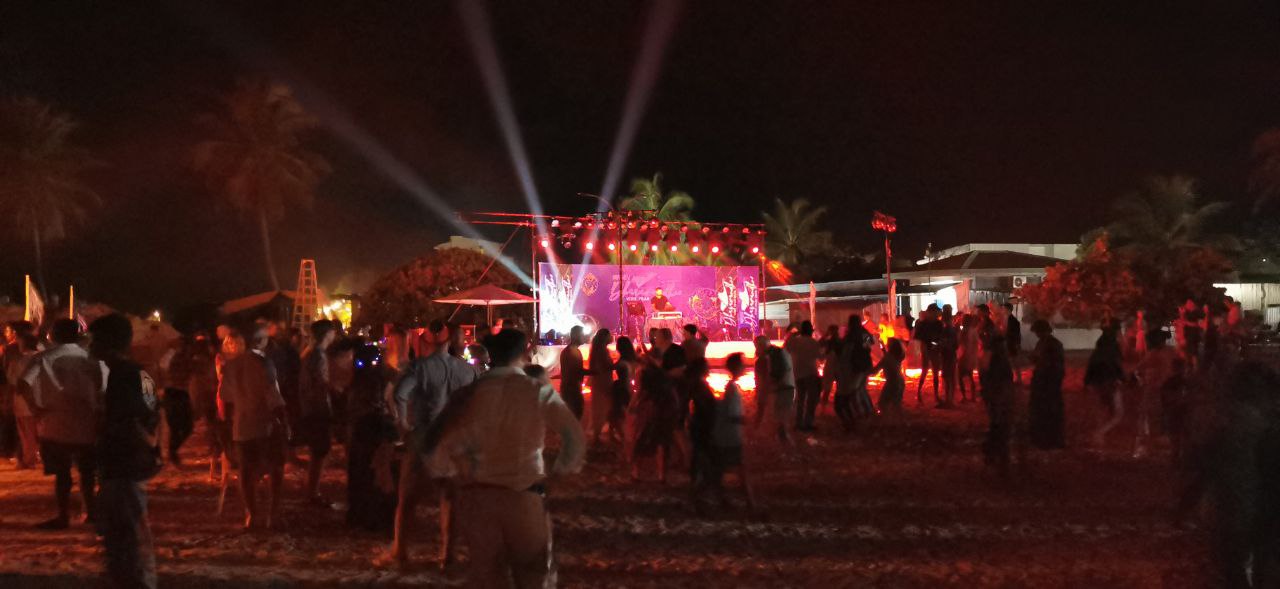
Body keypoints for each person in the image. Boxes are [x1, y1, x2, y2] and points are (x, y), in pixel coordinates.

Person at [434, 328, 585, 588]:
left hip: (479, 497)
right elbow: (574, 436)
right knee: (532, 576)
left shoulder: (470, 392)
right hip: (524, 495)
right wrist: (559, 474)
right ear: (524, 354)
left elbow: (444, 443)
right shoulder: (535, 389)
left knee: (488, 577)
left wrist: (453, 475)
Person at [388, 320, 477, 569]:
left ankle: (400, 551)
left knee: (408, 497)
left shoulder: (418, 368)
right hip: (454, 438)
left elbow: (399, 395)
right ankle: (447, 554)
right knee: (450, 497)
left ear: (424, 341)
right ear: (449, 341)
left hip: (424, 435)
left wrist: (403, 424)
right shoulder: (467, 371)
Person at [90, 313, 160, 589]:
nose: (90, 347)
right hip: (132, 464)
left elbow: (126, 421)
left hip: (122, 464)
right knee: (129, 533)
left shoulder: (116, 377)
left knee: (124, 536)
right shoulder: (141, 374)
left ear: (107, 343)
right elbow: (153, 415)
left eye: (95, 341)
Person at [20, 319, 100, 529]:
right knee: (87, 472)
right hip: (86, 423)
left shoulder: (42, 358)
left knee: (62, 473)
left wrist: (35, 408)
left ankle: (63, 515)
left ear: (53, 335)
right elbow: (102, 390)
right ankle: (90, 511)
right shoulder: (91, 359)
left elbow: (23, 384)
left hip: (54, 424)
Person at [219, 324, 289, 530]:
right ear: (260, 341)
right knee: (276, 468)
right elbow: (274, 396)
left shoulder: (231, 366)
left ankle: (252, 515)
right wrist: (284, 422)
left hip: (242, 425)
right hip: (266, 424)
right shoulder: (264, 363)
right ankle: (273, 514)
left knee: (246, 471)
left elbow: (225, 396)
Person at [345, 342, 398, 532]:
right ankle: (375, 515)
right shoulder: (379, 378)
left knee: (365, 472)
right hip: (372, 428)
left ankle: (364, 514)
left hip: (368, 428)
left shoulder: (362, 380)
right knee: (374, 472)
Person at [707, 353, 755, 511]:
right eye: (742, 364)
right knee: (738, 469)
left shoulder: (731, 387)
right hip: (730, 436)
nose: (745, 367)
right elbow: (732, 415)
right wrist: (747, 422)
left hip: (726, 435)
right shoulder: (733, 389)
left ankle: (724, 498)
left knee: (722, 468)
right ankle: (749, 502)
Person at [298, 320, 337, 505]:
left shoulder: (309, 353)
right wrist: (338, 389)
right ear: (327, 334)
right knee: (319, 450)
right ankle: (312, 492)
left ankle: (311, 489)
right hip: (317, 408)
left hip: (309, 406)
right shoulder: (318, 355)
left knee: (317, 450)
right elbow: (321, 383)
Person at [1133, 329, 1178, 459]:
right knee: (1157, 414)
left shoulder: (1155, 354)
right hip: (1164, 388)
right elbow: (1139, 369)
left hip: (1158, 388)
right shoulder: (1168, 352)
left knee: (1150, 414)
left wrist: (1143, 381)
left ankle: (1148, 443)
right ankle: (1155, 442)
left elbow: (1138, 369)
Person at [1087, 321, 1127, 448]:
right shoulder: (1114, 351)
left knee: (1101, 410)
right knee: (1118, 413)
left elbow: (1090, 369)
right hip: (1110, 384)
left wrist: (1087, 383)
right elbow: (1118, 367)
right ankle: (1100, 433)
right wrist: (1123, 379)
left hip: (1096, 384)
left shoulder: (1097, 353)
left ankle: (1100, 438)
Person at [685, 357, 718, 510]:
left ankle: (697, 490)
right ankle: (698, 491)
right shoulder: (699, 386)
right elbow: (702, 405)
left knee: (699, 455)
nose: (708, 369)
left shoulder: (696, 384)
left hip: (699, 424)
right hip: (702, 424)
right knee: (703, 456)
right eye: (706, 367)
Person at [980, 333, 1015, 478]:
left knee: (998, 424)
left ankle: (994, 454)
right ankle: (996, 455)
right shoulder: (997, 357)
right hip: (997, 394)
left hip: (998, 394)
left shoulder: (994, 357)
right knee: (999, 425)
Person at [1028, 320, 1065, 450]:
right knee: (1045, 410)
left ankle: (1050, 438)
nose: (1037, 335)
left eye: (1038, 332)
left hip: (1047, 380)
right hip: (1045, 380)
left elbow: (1053, 363)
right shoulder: (1045, 343)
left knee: (1048, 410)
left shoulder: (1051, 344)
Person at [753, 335, 795, 445]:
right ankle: (782, 439)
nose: (756, 349)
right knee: (780, 416)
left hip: (782, 389)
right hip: (784, 388)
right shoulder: (777, 353)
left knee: (779, 417)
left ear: (762, 345)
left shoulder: (774, 355)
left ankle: (783, 440)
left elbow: (778, 373)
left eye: (757, 346)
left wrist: (767, 387)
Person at [834, 316, 874, 432]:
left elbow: (845, 352)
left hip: (854, 368)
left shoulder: (850, 336)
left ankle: (858, 419)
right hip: (864, 366)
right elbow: (869, 345)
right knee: (861, 390)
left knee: (852, 393)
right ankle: (867, 414)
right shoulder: (864, 333)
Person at [8, 333, 40, 470]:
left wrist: (8, 400)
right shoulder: (43, 357)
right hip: (42, 400)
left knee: (26, 433)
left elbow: (13, 383)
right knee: (39, 431)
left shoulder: (18, 361)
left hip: (23, 402)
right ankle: (35, 456)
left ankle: (29, 459)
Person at [785, 321, 822, 432]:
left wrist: (794, 334)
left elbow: (786, 348)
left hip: (797, 373)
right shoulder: (813, 342)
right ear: (810, 331)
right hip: (810, 373)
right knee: (811, 400)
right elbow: (821, 358)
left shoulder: (794, 341)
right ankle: (808, 423)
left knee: (800, 399)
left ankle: (798, 423)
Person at [611, 337, 640, 453]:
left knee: (618, 414)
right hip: (628, 388)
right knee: (622, 414)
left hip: (621, 389)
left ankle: (625, 440)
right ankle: (622, 438)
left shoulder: (622, 362)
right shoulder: (633, 359)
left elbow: (613, 369)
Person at [587, 329, 615, 444]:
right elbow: (605, 366)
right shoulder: (602, 351)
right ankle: (596, 435)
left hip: (600, 380)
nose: (611, 337)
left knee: (600, 407)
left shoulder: (597, 350)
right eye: (609, 335)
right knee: (602, 407)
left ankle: (598, 434)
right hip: (603, 381)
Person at [913, 305, 943, 405]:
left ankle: (935, 395)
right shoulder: (924, 323)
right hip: (927, 348)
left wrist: (936, 343)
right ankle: (919, 393)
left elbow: (940, 336)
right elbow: (917, 336)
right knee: (925, 371)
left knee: (934, 373)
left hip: (934, 349)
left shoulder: (937, 323)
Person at [559, 325, 586, 419]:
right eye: (582, 334)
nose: (584, 337)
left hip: (573, 390)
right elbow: (575, 372)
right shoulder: (570, 352)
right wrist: (597, 371)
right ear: (575, 336)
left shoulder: (575, 350)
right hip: (571, 391)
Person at [874, 338, 906, 414]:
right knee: (896, 405)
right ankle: (899, 419)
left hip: (892, 383)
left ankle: (887, 419)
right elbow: (889, 357)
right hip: (901, 382)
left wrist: (863, 370)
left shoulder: (886, 358)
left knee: (882, 405)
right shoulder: (899, 356)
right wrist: (882, 348)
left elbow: (874, 371)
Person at [938, 306, 959, 407]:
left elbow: (948, 343)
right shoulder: (952, 329)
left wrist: (941, 344)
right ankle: (950, 398)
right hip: (951, 354)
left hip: (947, 355)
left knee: (948, 378)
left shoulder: (947, 329)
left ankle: (949, 400)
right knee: (950, 377)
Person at [957, 314, 981, 401]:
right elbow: (977, 343)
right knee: (969, 376)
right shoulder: (972, 331)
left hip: (964, 356)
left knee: (961, 377)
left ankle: (965, 396)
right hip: (969, 356)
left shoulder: (965, 331)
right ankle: (972, 396)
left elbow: (960, 343)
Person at [818, 325, 841, 410]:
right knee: (839, 388)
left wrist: (825, 335)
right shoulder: (840, 341)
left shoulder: (829, 342)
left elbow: (819, 344)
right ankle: (837, 407)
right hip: (838, 367)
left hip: (831, 367)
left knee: (827, 388)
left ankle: (823, 408)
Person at [1004, 303, 1023, 384]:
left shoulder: (1013, 321)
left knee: (1014, 362)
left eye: (1004, 309)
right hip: (1009, 343)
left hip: (1011, 343)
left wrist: (1017, 344)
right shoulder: (1007, 319)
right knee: (1011, 362)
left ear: (1008, 310)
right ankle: (1014, 378)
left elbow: (1016, 334)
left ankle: (1017, 379)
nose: (1003, 310)